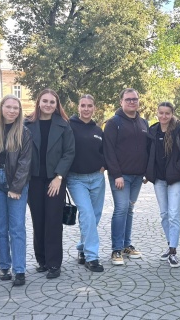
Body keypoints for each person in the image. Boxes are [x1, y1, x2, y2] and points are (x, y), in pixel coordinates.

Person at [25, 89, 75, 279]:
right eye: (45, 101)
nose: (48, 104)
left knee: (53, 221)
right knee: (38, 220)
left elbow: (69, 153)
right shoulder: (27, 124)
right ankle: (42, 260)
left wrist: (59, 177)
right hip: (34, 179)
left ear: (56, 105)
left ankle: (54, 263)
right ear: (38, 102)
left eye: (52, 102)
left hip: (55, 179)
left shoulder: (64, 125)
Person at [0, 95, 32, 286]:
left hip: (16, 182)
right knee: (0, 227)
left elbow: (25, 162)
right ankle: (4, 266)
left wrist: (16, 187)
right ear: (1, 108)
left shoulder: (24, 132)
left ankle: (19, 269)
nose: (12, 111)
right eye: (9, 107)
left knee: (17, 227)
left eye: (16, 108)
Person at [145, 102, 180, 268]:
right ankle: (170, 244)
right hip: (159, 180)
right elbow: (148, 154)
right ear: (157, 113)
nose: (164, 116)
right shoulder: (153, 131)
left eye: (167, 113)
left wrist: (176, 169)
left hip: (175, 180)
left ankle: (173, 252)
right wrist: (148, 173)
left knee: (173, 214)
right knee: (164, 214)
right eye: (161, 113)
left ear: (172, 114)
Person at [103, 88, 149, 265]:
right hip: (120, 177)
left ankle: (126, 245)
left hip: (138, 177)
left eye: (134, 99)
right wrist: (116, 174)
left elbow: (147, 149)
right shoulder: (113, 123)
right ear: (121, 102)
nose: (132, 102)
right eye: (128, 99)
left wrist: (147, 172)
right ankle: (116, 249)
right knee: (121, 208)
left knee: (129, 209)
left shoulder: (143, 122)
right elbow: (108, 150)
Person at [67, 95, 106, 272]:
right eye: (83, 105)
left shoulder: (98, 129)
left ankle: (82, 247)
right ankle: (92, 257)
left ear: (94, 108)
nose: (86, 109)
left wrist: (104, 165)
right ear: (78, 107)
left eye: (90, 106)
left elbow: (104, 150)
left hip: (97, 178)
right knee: (87, 215)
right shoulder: (69, 126)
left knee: (94, 216)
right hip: (76, 179)